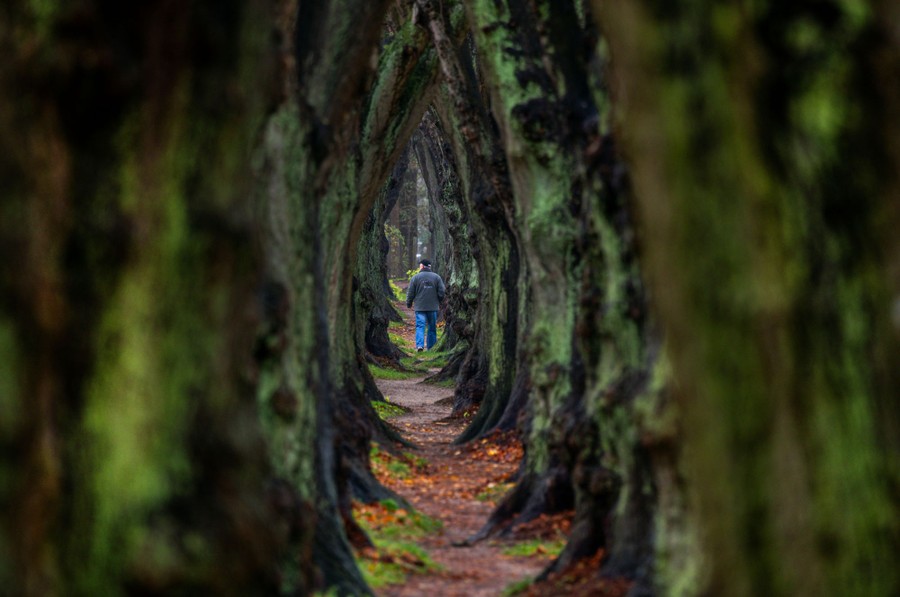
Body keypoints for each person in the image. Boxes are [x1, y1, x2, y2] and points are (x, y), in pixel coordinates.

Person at [406, 259, 445, 352]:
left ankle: (420, 345)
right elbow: (442, 291)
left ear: (422, 266)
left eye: (420, 265)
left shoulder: (415, 278)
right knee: (432, 327)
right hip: (433, 307)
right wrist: (439, 300)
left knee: (420, 326)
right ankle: (431, 347)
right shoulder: (437, 277)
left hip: (420, 307)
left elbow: (410, 292)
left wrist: (409, 303)